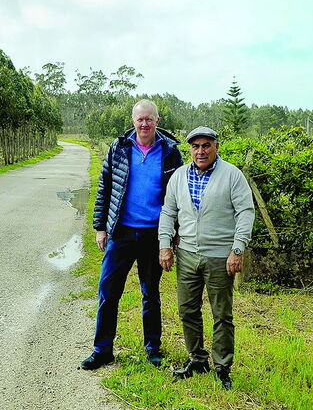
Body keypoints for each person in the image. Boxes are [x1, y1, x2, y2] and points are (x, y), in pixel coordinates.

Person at [81, 99, 184, 370]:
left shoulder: (171, 152)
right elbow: (105, 188)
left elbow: (178, 197)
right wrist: (100, 227)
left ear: (157, 121)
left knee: (150, 294)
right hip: (122, 232)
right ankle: (102, 350)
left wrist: (174, 236)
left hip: (153, 234)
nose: (145, 124)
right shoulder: (119, 148)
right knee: (108, 292)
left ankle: (153, 350)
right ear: (133, 121)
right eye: (140, 119)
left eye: (149, 119)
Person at [158, 126, 255, 390]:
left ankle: (222, 366)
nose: (201, 151)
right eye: (196, 146)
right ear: (190, 149)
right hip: (187, 254)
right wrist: (165, 245)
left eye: (206, 145)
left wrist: (237, 249)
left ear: (216, 146)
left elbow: (245, 212)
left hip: (219, 256)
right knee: (187, 309)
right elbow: (168, 212)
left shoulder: (232, 175)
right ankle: (197, 359)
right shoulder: (179, 176)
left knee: (222, 314)